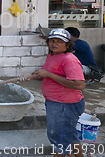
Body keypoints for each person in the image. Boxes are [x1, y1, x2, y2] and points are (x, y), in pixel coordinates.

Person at [24, 29, 85, 157]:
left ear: (67, 45)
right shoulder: (52, 56)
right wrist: (31, 76)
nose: (54, 44)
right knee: (70, 135)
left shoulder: (69, 60)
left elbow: (79, 85)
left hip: (65, 105)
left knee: (60, 139)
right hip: (56, 103)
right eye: (52, 41)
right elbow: (46, 75)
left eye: (59, 42)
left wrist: (48, 74)